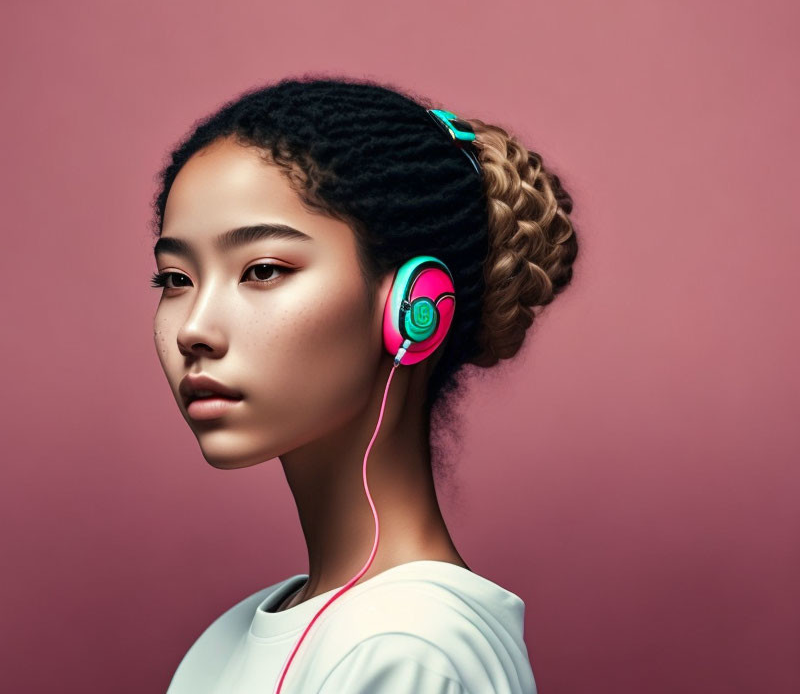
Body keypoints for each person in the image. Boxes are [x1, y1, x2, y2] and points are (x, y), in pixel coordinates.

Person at [150, 76, 578, 693]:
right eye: (174, 279)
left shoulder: (408, 651)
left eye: (262, 270)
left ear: (414, 306)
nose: (194, 328)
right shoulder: (226, 641)